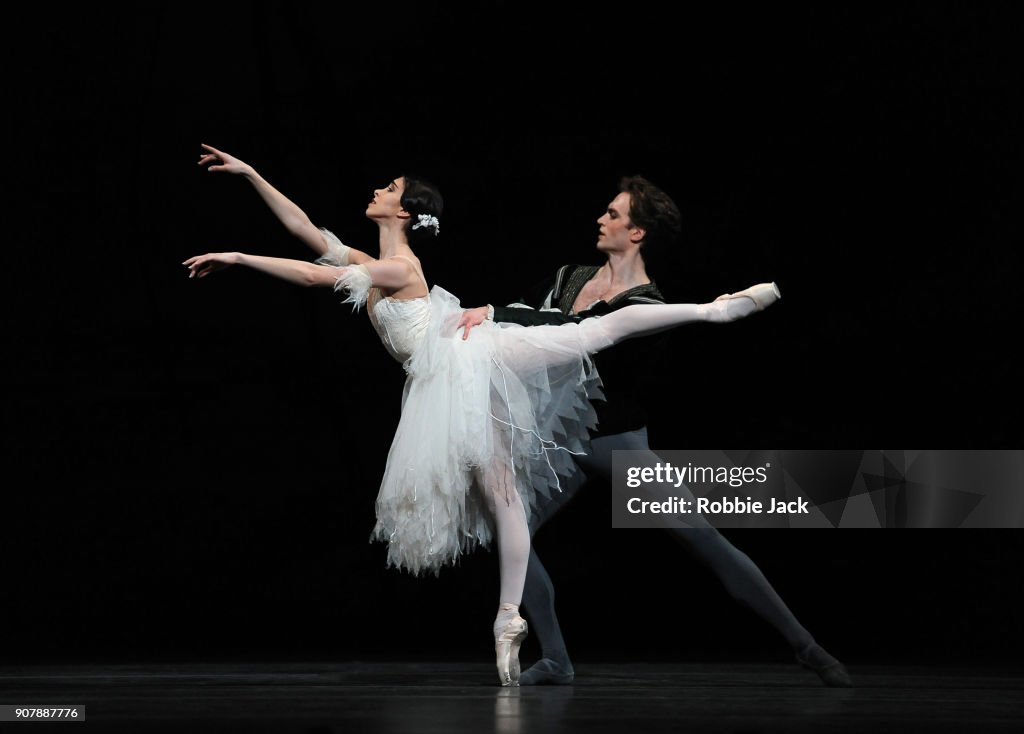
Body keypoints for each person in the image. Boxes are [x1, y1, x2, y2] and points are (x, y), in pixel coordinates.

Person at [183, 145, 779, 686]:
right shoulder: (380, 262)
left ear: (405, 211)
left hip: (475, 354)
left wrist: (236, 255)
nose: (376, 190)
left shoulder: (400, 268)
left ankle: (712, 312)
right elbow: (310, 234)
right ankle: (509, 619)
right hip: (453, 375)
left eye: (388, 187)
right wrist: (254, 174)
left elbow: (317, 274)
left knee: (593, 333)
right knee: (502, 494)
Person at [457, 176, 853, 688]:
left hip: (614, 441)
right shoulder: (569, 276)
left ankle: (806, 646)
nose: (602, 219)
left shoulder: (647, 303)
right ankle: (555, 657)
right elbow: (529, 322)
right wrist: (490, 318)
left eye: (614, 214)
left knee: (701, 537)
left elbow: (576, 334)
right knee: (514, 537)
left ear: (638, 232)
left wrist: (499, 313)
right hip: (557, 436)